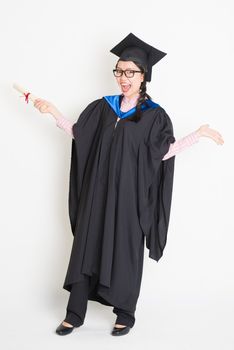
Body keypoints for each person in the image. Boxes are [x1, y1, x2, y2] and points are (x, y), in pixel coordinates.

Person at [33, 33, 224, 337]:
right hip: (97, 196)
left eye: (130, 72)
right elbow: (81, 137)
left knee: (125, 251)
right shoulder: (103, 108)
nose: (123, 78)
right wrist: (53, 112)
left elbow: (162, 153)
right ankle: (75, 313)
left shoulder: (154, 116)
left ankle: (125, 313)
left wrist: (195, 136)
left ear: (143, 75)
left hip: (130, 200)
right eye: (119, 71)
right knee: (86, 246)